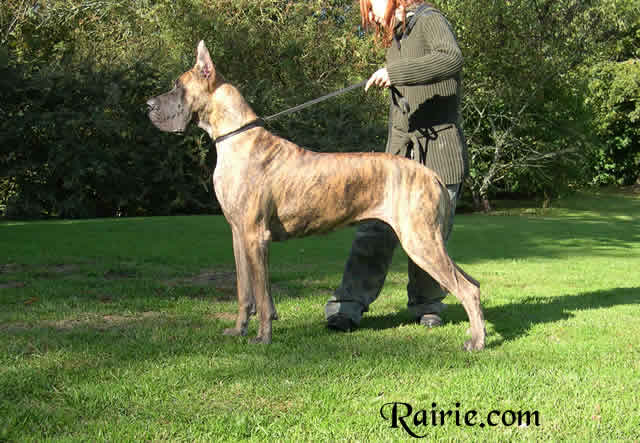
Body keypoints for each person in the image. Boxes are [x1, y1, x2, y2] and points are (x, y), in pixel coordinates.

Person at [325, 0, 468, 331]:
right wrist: (386, 162)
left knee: (431, 236)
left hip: (439, 152)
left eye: (371, 5)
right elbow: (400, 116)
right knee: (374, 229)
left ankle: (428, 304)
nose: (371, 14)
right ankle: (347, 305)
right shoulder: (396, 40)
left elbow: (451, 58)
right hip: (399, 158)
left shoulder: (431, 20)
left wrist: (395, 73)